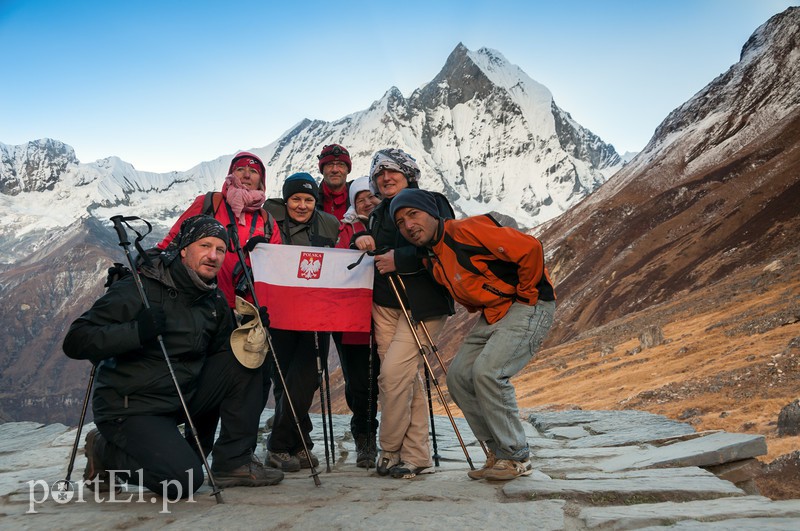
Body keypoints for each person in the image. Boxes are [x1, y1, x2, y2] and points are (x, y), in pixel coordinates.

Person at [62, 215, 283, 498]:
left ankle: (234, 462)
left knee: (249, 355)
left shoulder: (212, 300)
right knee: (183, 481)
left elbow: (223, 359)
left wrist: (248, 329)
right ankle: (104, 452)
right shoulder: (140, 289)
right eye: (205, 246)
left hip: (178, 395)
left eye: (220, 250)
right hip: (132, 405)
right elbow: (76, 340)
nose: (213, 256)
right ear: (183, 249)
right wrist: (136, 331)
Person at [390, 188, 557, 481]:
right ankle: (498, 453)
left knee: (488, 373)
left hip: (526, 305)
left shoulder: (466, 230)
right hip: (494, 313)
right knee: (458, 378)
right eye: (401, 223)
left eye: (413, 214)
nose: (408, 226)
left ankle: (516, 457)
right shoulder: (435, 256)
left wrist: (528, 294)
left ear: (432, 213)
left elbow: (529, 248)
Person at [353, 149, 455, 479]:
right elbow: (375, 247)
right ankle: (416, 456)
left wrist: (401, 259)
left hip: (422, 305)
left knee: (392, 376)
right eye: (379, 173)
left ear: (408, 173)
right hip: (385, 304)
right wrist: (360, 236)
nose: (385, 177)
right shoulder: (378, 213)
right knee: (406, 380)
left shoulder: (432, 201)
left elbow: (445, 242)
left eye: (392, 171)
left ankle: (390, 449)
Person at [262, 172, 340, 472]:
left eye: (308, 199)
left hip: (315, 314)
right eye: (296, 198)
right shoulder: (269, 220)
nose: (302, 205)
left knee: (305, 378)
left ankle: (281, 443)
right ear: (286, 199)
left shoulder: (329, 225)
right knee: (284, 379)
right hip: (279, 312)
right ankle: (298, 443)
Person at [335, 175, 381, 467]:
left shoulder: (391, 220)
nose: (367, 201)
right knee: (360, 383)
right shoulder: (345, 228)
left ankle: (395, 437)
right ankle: (365, 437)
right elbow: (337, 259)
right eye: (360, 197)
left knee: (391, 379)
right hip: (353, 316)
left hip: (388, 311)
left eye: (371, 195)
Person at [316, 143, 352, 220]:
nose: (335, 170)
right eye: (330, 164)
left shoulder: (359, 199)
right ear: (322, 170)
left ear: (347, 170)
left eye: (340, 164)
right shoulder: (310, 201)